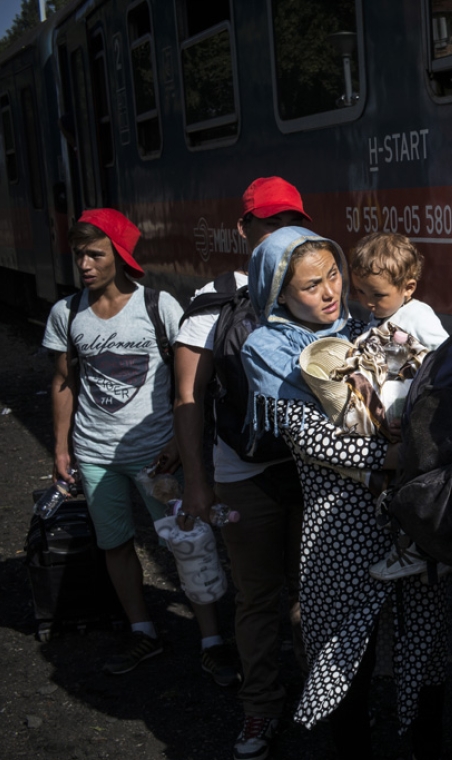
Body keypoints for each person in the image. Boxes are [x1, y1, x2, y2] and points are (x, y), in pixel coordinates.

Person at [240, 226, 446, 758]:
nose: (331, 292)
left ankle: (423, 741)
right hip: (339, 522)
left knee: (422, 637)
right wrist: (397, 458)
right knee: (341, 646)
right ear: (278, 293)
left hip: (403, 515)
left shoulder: (373, 322)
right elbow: (312, 442)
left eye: (333, 275)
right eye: (311, 286)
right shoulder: (268, 351)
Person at [42, 208, 235, 681]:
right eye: (78, 255)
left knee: (189, 543)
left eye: (94, 254)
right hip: (95, 455)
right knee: (116, 544)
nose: (84, 264)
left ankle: (212, 639)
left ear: (119, 257)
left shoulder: (158, 306)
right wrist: (62, 447)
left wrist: (177, 438)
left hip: (156, 456)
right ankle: (143, 631)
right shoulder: (66, 314)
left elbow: (188, 381)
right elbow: (63, 382)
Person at [173, 176, 310, 760]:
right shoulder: (212, 302)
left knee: (313, 594)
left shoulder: (315, 289)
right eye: (266, 223)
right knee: (258, 599)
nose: (277, 233)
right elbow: (188, 399)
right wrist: (198, 482)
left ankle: (319, 698)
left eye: (289, 222)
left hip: (311, 470)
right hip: (242, 474)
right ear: (243, 230)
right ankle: (260, 708)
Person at [345, 231, 450, 580]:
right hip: (392, 427)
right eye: (361, 292)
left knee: (414, 486)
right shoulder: (379, 320)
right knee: (399, 489)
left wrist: (413, 416)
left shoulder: (417, 316)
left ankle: (424, 549)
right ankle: (414, 549)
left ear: (408, 287)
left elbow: (445, 359)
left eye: (378, 294)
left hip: (414, 424)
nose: (368, 302)